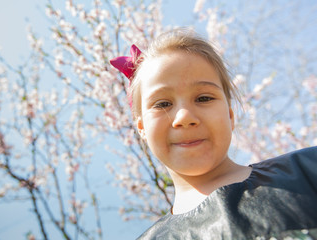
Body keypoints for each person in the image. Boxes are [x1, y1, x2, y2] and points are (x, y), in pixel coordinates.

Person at [110, 29, 317, 240]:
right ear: (142, 128)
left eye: (204, 98)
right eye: (162, 104)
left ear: (229, 114)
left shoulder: (307, 169)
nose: (184, 116)